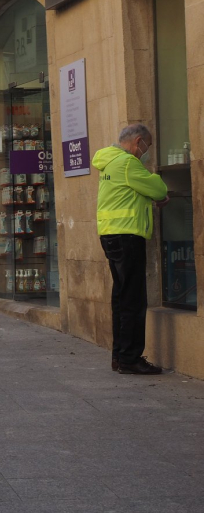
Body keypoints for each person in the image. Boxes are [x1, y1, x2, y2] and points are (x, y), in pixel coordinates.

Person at [92, 124, 169, 375]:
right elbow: (158, 188)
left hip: (112, 237)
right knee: (133, 301)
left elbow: (129, 194)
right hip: (127, 237)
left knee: (121, 298)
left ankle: (119, 356)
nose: (146, 152)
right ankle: (130, 359)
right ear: (138, 142)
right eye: (147, 146)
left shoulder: (109, 162)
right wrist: (155, 192)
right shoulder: (127, 163)